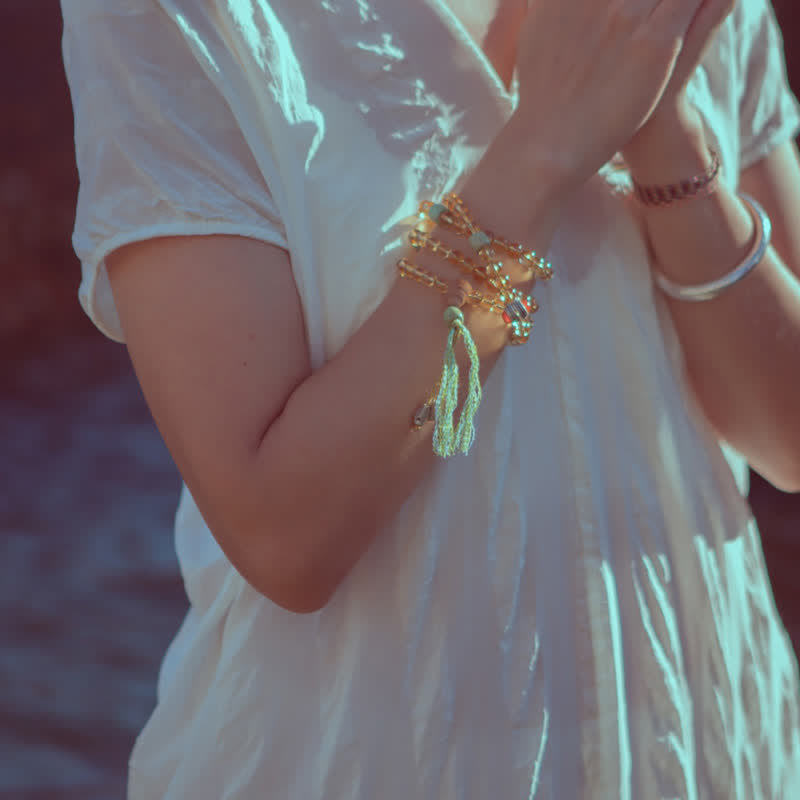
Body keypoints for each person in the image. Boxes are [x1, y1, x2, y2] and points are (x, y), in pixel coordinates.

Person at [61, 0, 800, 796]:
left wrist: (664, 131)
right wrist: (545, 150)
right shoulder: (178, 15)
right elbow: (285, 537)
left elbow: (789, 437)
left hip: (702, 749)